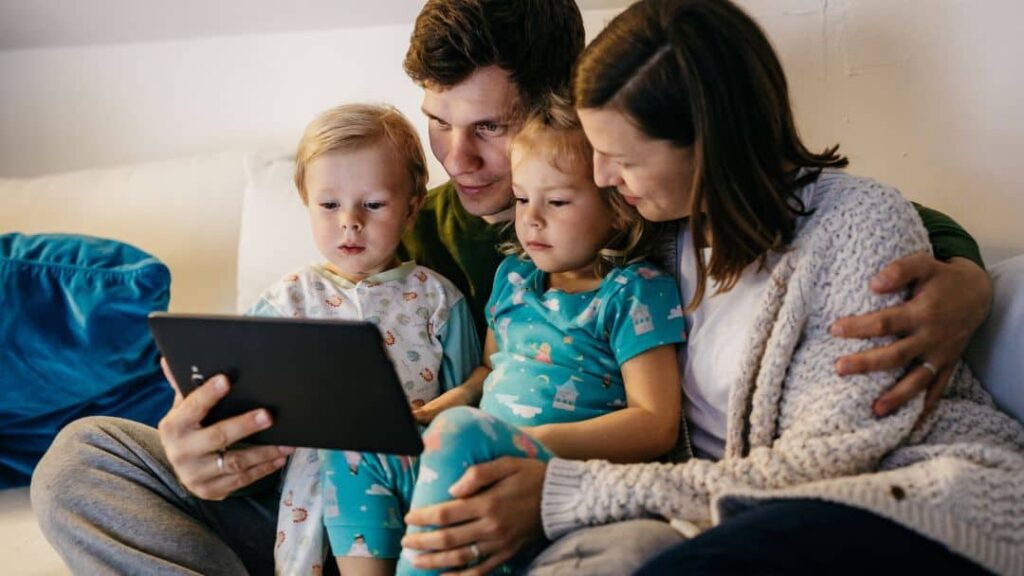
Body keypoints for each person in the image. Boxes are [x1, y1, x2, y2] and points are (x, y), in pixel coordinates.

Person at [30, 1, 994, 574]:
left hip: (536, 493)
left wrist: (967, 283)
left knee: (634, 559)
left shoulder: (626, 216)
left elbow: (843, 232)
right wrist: (203, 442)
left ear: (558, 112)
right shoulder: (427, 221)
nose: (458, 160)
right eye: (436, 123)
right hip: (346, 483)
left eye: (487, 130)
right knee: (83, 462)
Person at [398, 1, 1024, 575]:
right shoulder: (646, 232)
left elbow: (829, 462)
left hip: (909, 498)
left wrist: (564, 493)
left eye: (623, 157)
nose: (601, 175)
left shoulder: (853, 225)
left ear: (710, 142)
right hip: (728, 506)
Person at [325, 100, 684, 576]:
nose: (531, 219)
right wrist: (440, 407)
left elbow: (656, 422)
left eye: (556, 202)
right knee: (357, 442)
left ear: (618, 207)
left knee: (462, 432)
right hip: (477, 455)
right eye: (521, 198)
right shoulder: (514, 277)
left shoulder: (635, 292)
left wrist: (530, 438)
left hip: (553, 472)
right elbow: (486, 373)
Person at [241, 103, 480, 574]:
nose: (350, 221)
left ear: (412, 208)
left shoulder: (438, 301)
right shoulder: (285, 301)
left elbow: (470, 405)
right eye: (329, 205)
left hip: (409, 496)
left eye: (373, 204)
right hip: (302, 510)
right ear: (306, 201)